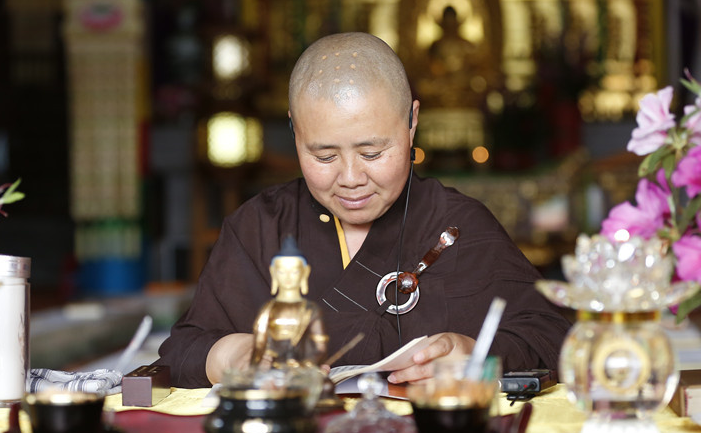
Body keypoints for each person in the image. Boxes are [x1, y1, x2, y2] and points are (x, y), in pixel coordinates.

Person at [161, 32, 570, 388]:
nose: (351, 178)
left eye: (372, 152)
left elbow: (553, 337)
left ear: (412, 122)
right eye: (323, 157)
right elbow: (182, 348)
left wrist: (477, 356)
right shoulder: (261, 227)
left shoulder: (457, 224)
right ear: (294, 131)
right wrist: (233, 355)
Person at [249, 236, 329, 370]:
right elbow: (259, 345)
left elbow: (320, 347)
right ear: (273, 272)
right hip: (274, 369)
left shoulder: (310, 310)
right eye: (281, 271)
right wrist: (254, 369)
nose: (288, 277)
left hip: (301, 371)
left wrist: (306, 364)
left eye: (294, 271)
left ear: (305, 272)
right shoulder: (268, 309)